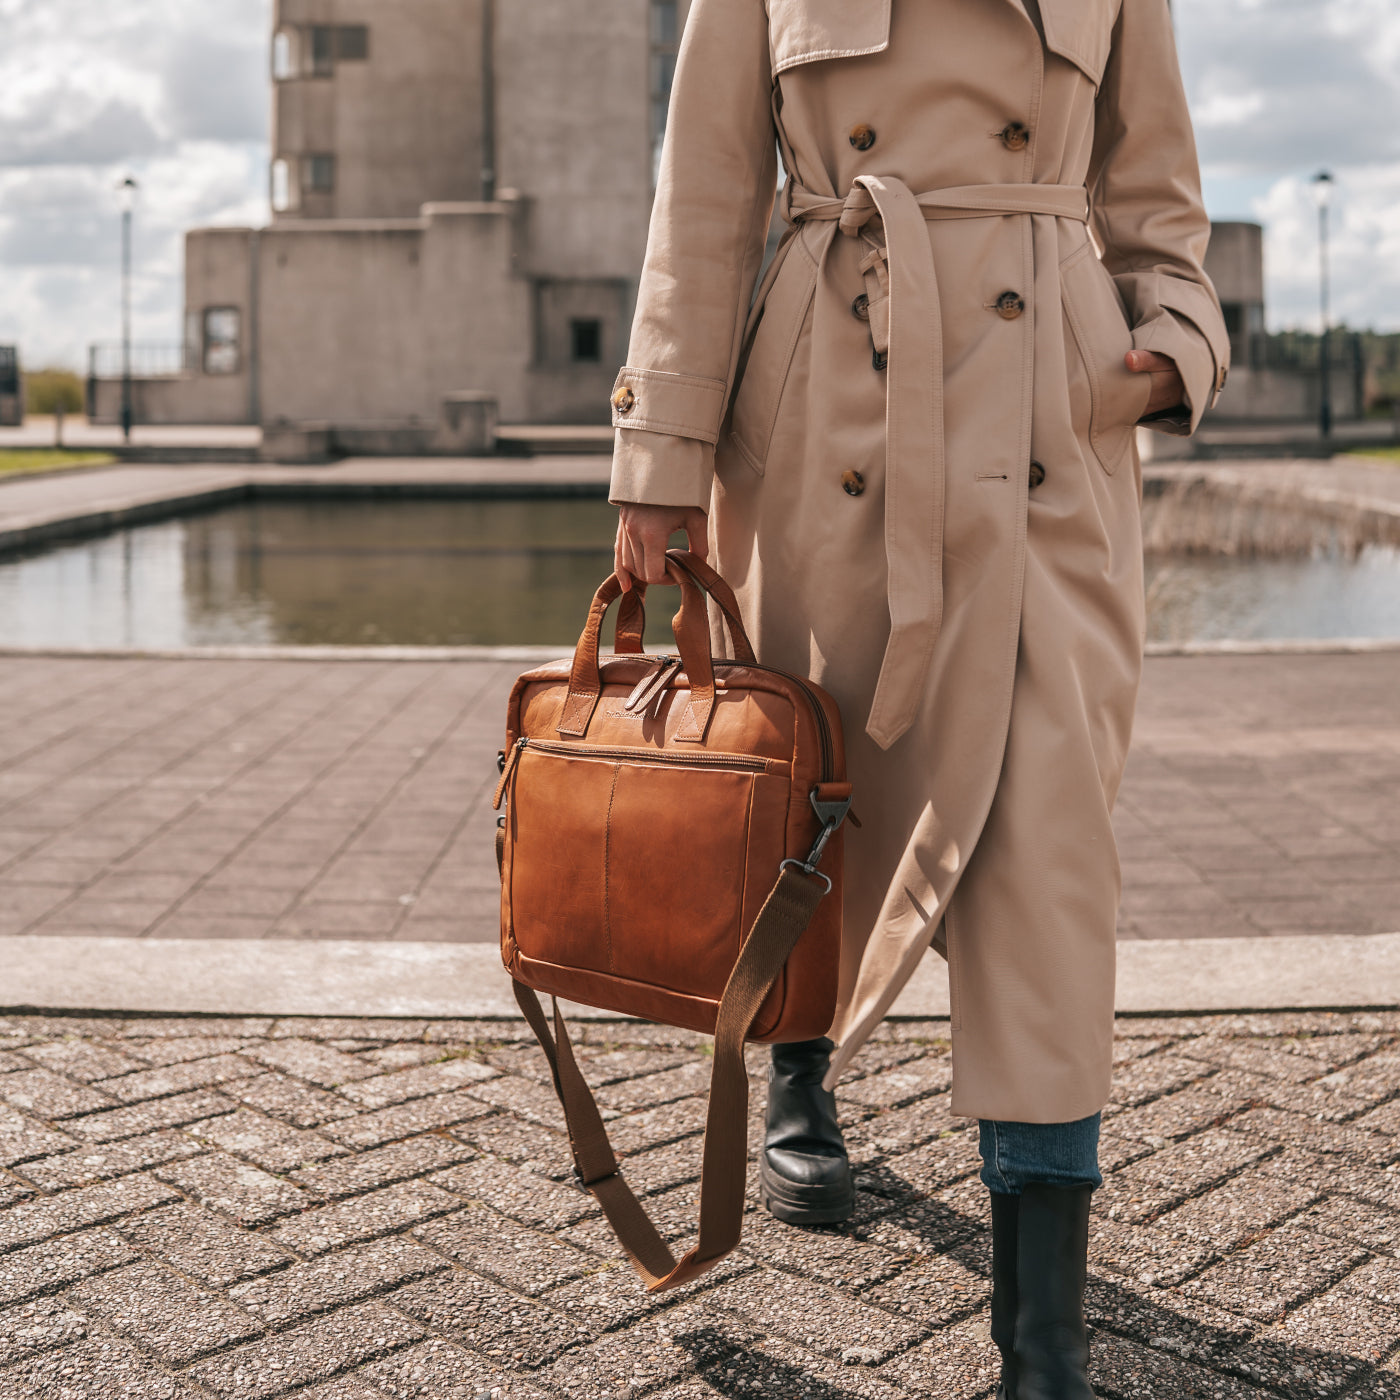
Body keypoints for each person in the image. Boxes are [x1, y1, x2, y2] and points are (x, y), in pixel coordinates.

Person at [610, 0, 1228, 1393]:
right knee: (817, 788)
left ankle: (1045, 1336)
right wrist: (659, 455)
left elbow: (1158, 197)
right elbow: (707, 189)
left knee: (1048, 847)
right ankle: (802, 1066)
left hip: (1047, 432)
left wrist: (1175, 342)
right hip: (827, 396)